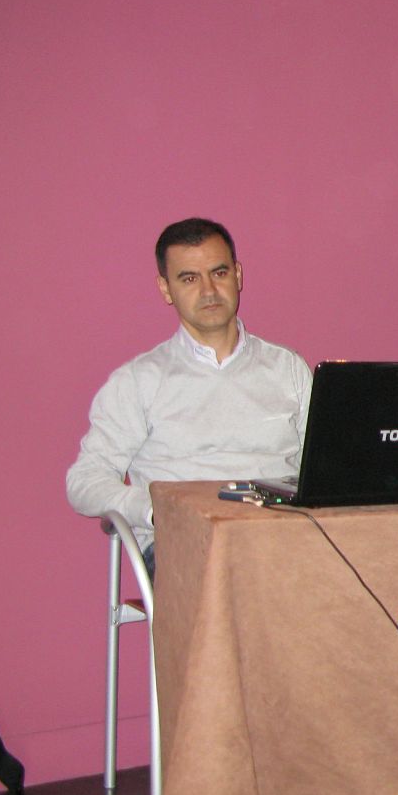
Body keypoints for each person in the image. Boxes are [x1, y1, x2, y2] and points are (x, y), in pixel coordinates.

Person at [66, 218, 312, 569]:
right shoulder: (138, 381)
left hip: (283, 538)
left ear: (238, 276)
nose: (209, 290)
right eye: (189, 278)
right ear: (166, 289)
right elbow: (84, 481)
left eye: (219, 272)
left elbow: (324, 465)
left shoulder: (288, 369)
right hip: (186, 548)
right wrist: (154, 511)